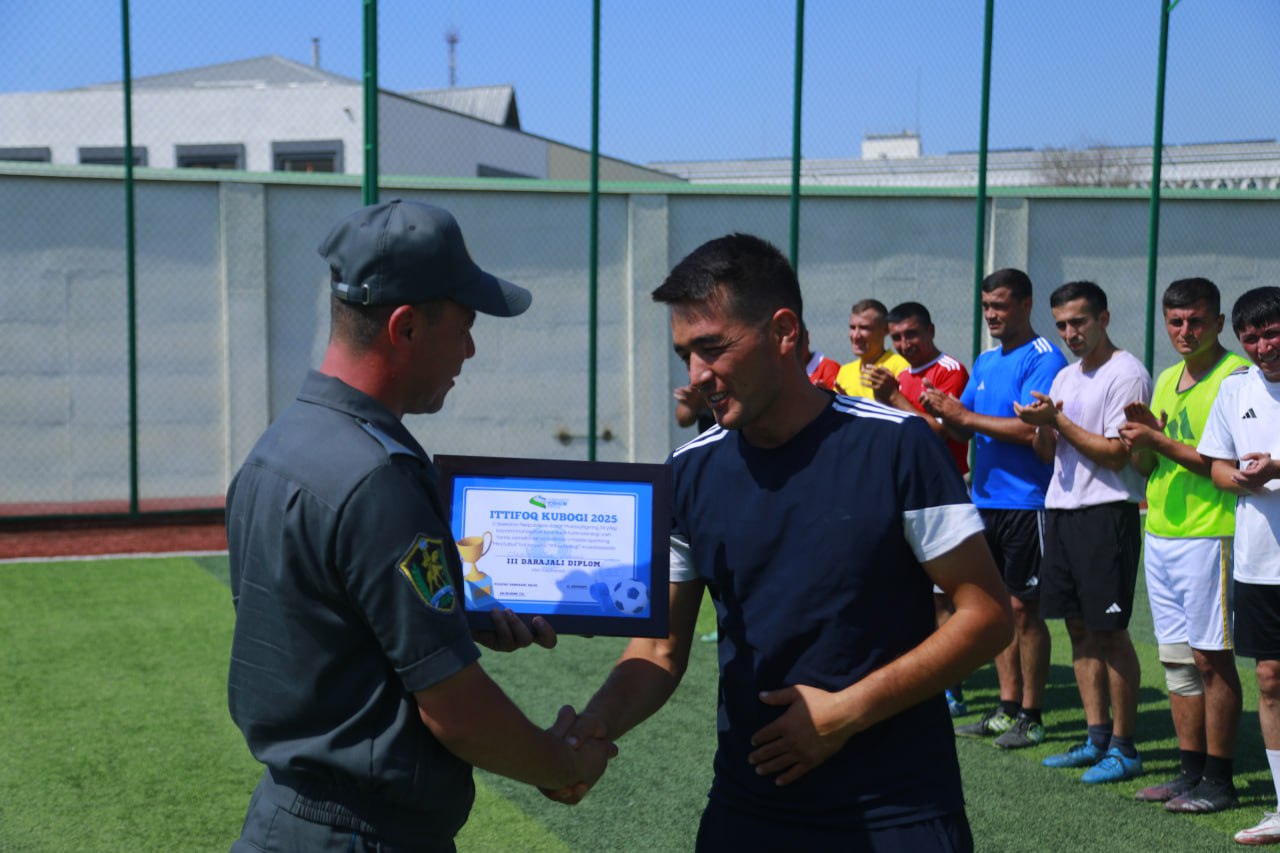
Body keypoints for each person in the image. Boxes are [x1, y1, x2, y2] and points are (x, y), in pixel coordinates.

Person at [556, 233, 1012, 850]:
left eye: (713, 348)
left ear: (783, 332)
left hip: (898, 810)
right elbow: (659, 650)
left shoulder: (897, 446)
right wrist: (594, 726)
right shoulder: (689, 471)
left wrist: (844, 713)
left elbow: (987, 615)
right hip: (748, 809)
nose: (697, 376)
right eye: (685, 354)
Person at [225, 199, 615, 851]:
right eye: (464, 327)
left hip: (283, 820)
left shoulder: (277, 447)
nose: (469, 350)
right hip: (363, 835)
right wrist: (562, 765)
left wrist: (456, 625)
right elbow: (457, 712)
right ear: (405, 328)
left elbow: (323, 627)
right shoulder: (379, 477)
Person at [921, 268, 1066, 750]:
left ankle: (1032, 714)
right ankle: (1006, 708)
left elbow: (1032, 430)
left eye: (1000, 305)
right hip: (983, 500)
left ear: (1025, 305)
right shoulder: (985, 360)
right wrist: (938, 408)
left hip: (1027, 501)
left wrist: (964, 415)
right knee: (999, 607)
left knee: (1025, 610)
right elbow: (961, 426)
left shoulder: (1044, 357)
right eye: (986, 306)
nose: (991, 314)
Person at [1014, 281, 1152, 784]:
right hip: (1063, 511)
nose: (1070, 333)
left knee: (1109, 631)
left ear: (1103, 319)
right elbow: (1048, 454)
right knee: (1076, 627)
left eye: (1079, 322)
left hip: (1106, 513)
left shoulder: (1127, 373)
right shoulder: (1065, 377)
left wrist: (1057, 420)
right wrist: (1041, 425)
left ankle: (1125, 748)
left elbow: (1116, 454)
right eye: (1062, 325)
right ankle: (1096, 738)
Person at [1119, 278, 1247, 813]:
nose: (1185, 331)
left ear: (1218, 322)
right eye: (1175, 321)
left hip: (1211, 533)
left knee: (1211, 660)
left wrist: (1159, 439)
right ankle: (1189, 772)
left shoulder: (1237, 377)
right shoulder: (1168, 378)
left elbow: (1227, 465)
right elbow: (1146, 465)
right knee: (1176, 661)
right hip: (1162, 532)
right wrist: (1141, 438)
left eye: (1196, 321)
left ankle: (1220, 780)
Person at [1198, 286, 1280, 845]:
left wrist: (1276, 468)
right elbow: (1216, 467)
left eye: (1271, 333)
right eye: (1250, 338)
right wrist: (1243, 477)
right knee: (1271, 679)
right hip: (1259, 561)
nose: (1262, 346)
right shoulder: (1235, 389)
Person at [865, 300, 972, 715]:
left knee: (945, 599)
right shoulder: (902, 376)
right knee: (913, 596)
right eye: (897, 337)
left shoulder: (950, 370)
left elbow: (944, 433)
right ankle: (918, 679)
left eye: (912, 334)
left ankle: (950, 690)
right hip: (904, 495)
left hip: (944, 495)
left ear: (930, 330)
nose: (905, 343)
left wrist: (893, 397)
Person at [834, 298, 910, 398]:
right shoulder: (845, 371)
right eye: (852, 328)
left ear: (885, 330)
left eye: (864, 328)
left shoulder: (901, 367)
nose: (856, 336)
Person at [803, 326, 841, 391]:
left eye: (796, 338)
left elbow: (839, 395)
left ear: (806, 337)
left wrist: (828, 395)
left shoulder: (829, 368)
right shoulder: (786, 372)